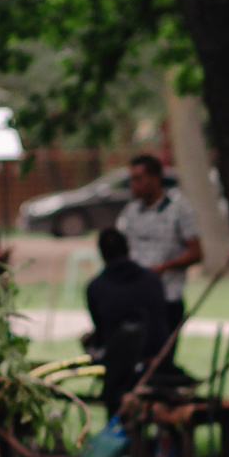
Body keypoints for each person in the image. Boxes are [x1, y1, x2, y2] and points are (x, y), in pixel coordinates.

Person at [114, 153, 202, 338]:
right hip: (136, 297)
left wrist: (164, 267)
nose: (133, 185)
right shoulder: (131, 212)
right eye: (132, 179)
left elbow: (196, 253)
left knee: (162, 358)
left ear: (155, 179)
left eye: (138, 179)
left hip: (167, 298)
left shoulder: (179, 209)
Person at [84, 226, 171, 401]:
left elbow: (100, 333)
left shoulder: (96, 286)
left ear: (101, 254)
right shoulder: (153, 279)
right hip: (158, 359)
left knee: (89, 340)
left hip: (121, 364)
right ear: (128, 248)